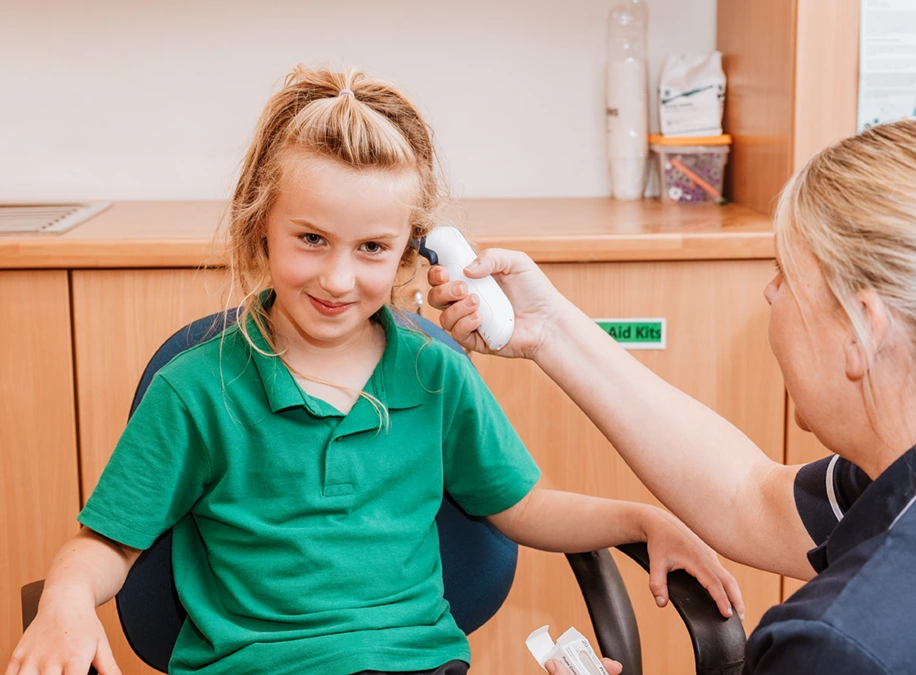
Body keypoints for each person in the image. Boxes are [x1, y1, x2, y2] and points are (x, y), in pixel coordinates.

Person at [5, 66, 744, 675]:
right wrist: (68, 600)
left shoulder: (434, 374)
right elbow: (104, 543)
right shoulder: (197, 390)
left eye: (371, 248)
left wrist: (645, 518)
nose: (337, 276)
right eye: (311, 238)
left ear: (410, 251)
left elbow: (520, 505)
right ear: (259, 225)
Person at [428, 118, 916, 674]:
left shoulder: (842, 643)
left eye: (784, 277)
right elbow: (748, 496)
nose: (767, 295)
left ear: (862, 332)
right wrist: (552, 328)